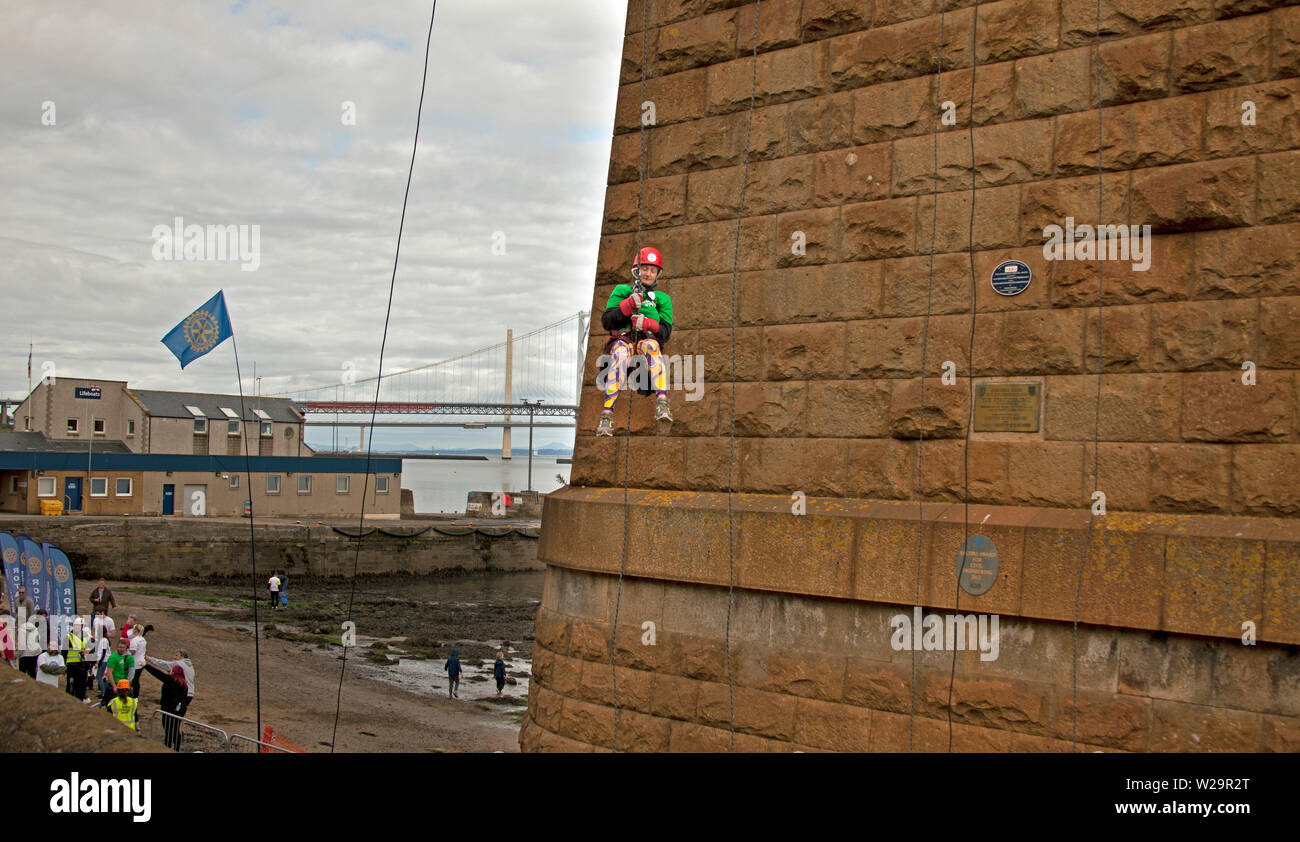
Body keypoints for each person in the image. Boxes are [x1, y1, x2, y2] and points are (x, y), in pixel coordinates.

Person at [597, 245, 675, 436]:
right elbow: (607, 321)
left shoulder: (662, 299)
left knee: (652, 346)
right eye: (645, 269)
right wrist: (627, 306)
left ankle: (662, 402)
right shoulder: (621, 290)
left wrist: (649, 323)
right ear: (637, 270)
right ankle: (607, 414)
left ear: (658, 274)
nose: (648, 273)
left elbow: (665, 332)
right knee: (620, 354)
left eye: (652, 270)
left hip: (646, 340)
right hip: (624, 340)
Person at [144, 662, 188, 750]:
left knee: (168, 730)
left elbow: (159, 674)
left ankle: (167, 748)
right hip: (179, 711)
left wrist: (146, 666)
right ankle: (176, 748)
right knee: (176, 730)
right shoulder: (184, 684)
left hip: (168, 709)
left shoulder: (171, 680)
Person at [148, 650, 194, 719]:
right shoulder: (190, 666)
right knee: (180, 716)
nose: (174, 657)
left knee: (171, 718)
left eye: (176, 655)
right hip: (190, 694)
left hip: (180, 695)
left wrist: (149, 659)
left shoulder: (178, 664)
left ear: (182, 656)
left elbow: (164, 665)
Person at [100, 638, 134, 708]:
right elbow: (109, 673)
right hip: (116, 683)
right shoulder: (113, 657)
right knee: (112, 705)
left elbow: (131, 671)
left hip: (124, 684)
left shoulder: (129, 657)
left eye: (123, 647)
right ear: (117, 647)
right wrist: (114, 686)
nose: (121, 649)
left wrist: (129, 684)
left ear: (126, 648)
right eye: (120, 647)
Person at [64, 618, 91, 700]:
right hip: (72, 665)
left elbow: (93, 648)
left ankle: (80, 700)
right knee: (71, 685)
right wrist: (64, 664)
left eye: (79, 626)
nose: (78, 627)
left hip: (83, 665)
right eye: (76, 625)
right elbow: (64, 652)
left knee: (82, 685)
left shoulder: (87, 636)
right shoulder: (69, 637)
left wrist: (88, 651)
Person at [16, 610, 43, 678]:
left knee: (22, 676)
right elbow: (38, 639)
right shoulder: (34, 628)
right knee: (33, 674)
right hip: (35, 654)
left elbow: (22, 645)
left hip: (25, 655)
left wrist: (16, 655)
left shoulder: (21, 629)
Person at [128, 623, 152, 698]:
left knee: (132, 679)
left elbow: (133, 652)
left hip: (135, 662)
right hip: (141, 662)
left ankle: (133, 694)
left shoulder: (135, 640)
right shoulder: (143, 640)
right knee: (136, 680)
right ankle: (136, 695)